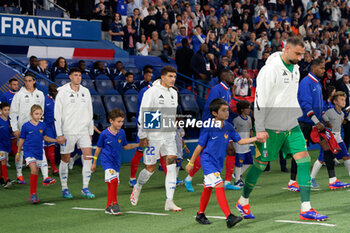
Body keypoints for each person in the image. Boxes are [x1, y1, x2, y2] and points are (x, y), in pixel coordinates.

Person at [236, 37, 328, 221]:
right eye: (297, 54)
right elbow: (260, 100)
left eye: (303, 54)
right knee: (260, 165)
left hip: (291, 125)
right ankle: (243, 200)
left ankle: (306, 208)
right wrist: (260, 128)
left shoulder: (295, 68)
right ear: (287, 49)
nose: (301, 58)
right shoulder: (269, 70)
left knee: (303, 160)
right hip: (269, 128)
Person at [186, 98, 256, 228]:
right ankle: (229, 217)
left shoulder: (228, 126)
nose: (227, 112)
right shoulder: (208, 127)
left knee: (207, 188)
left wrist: (256, 138)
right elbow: (199, 147)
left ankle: (200, 214)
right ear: (214, 113)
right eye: (223, 110)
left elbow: (240, 141)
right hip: (207, 161)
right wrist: (191, 162)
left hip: (217, 163)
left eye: (227, 109)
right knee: (219, 185)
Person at [130, 66, 182, 211]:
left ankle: (169, 201)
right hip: (153, 137)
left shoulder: (174, 93)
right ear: (163, 77)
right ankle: (138, 186)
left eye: (174, 77)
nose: (173, 79)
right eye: (170, 76)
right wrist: (143, 136)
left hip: (169, 137)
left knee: (171, 166)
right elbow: (143, 114)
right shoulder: (151, 92)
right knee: (150, 169)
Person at [295, 59, 348, 192]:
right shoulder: (306, 82)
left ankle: (333, 180)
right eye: (322, 68)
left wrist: (324, 118)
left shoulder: (317, 84)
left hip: (316, 124)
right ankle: (292, 181)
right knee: (300, 153)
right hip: (305, 123)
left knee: (328, 149)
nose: (324, 71)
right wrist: (317, 121)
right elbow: (305, 105)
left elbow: (319, 106)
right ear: (313, 68)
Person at [184, 69, 238, 191]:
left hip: (222, 125)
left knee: (231, 150)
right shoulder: (216, 89)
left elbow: (224, 112)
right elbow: (211, 108)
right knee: (207, 152)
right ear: (223, 76)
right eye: (231, 74)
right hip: (212, 125)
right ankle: (188, 178)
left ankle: (227, 182)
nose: (233, 76)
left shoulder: (227, 91)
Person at [55, 67, 95, 199]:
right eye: (75, 75)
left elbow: (90, 112)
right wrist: (59, 133)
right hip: (68, 131)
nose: (78, 77)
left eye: (80, 75)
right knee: (65, 159)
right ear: (70, 77)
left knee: (88, 156)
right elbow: (57, 115)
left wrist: (90, 130)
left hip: (83, 130)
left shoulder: (86, 91)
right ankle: (64, 188)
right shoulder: (62, 92)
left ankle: (85, 187)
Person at [91, 108, 139, 215]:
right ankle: (115, 205)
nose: (121, 124)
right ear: (111, 121)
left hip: (117, 163)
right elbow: (98, 148)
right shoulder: (104, 134)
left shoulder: (122, 133)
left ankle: (108, 207)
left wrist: (138, 145)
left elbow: (125, 146)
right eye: (118, 121)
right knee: (113, 182)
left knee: (112, 185)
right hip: (107, 162)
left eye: (122, 121)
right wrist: (94, 162)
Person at [10, 73, 50, 185]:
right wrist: (15, 128)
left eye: (29, 80)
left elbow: (41, 112)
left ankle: (46, 176)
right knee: (21, 150)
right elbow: (13, 113)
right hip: (23, 127)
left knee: (40, 149)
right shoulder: (19, 94)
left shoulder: (40, 94)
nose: (27, 83)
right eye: (25, 80)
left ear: (34, 81)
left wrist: (41, 125)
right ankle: (19, 175)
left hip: (37, 128)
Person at [16, 105, 57, 204]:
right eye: (36, 114)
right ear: (31, 114)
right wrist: (18, 152)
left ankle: (34, 193)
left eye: (40, 114)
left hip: (39, 151)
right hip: (28, 151)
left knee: (35, 171)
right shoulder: (26, 126)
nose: (38, 116)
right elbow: (21, 139)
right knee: (34, 169)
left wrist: (56, 140)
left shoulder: (43, 125)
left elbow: (45, 138)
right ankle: (33, 194)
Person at [310, 91, 350, 188]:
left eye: (344, 99)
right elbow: (321, 122)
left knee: (346, 157)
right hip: (328, 139)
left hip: (338, 139)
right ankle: (310, 178)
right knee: (321, 159)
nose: (344, 101)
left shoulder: (341, 114)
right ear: (335, 102)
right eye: (341, 99)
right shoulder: (329, 112)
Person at [233, 100, 253, 188]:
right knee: (239, 163)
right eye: (247, 108)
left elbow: (250, 129)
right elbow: (233, 131)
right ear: (242, 110)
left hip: (247, 144)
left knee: (249, 162)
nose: (249, 110)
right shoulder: (236, 120)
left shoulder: (249, 118)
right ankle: (237, 181)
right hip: (239, 145)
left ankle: (237, 174)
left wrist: (251, 139)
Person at [44, 83, 59, 175]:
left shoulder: (58, 99)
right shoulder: (45, 100)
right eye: (53, 91)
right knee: (50, 146)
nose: (55, 93)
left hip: (56, 126)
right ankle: (53, 167)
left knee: (48, 147)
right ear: (49, 91)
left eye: (56, 91)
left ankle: (46, 165)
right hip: (47, 126)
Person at [0, 102, 13, 188]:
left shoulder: (10, 120)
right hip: (0, 145)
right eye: (5, 110)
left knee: (3, 161)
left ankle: (1, 178)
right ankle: (6, 180)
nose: (7, 111)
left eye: (8, 109)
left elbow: (11, 132)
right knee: (3, 160)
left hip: (7, 144)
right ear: (1, 111)